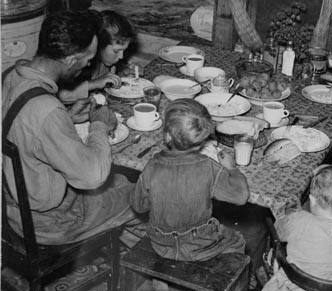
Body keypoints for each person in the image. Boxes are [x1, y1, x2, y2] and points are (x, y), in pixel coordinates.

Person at [2, 10, 138, 245]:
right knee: (146, 192)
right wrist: (99, 124)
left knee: (123, 184)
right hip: (48, 223)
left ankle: (127, 249)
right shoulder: (47, 110)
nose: (88, 65)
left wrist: (67, 118)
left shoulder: (12, 76)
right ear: (70, 59)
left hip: (12, 206)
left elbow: (24, 128)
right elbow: (92, 177)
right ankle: (155, 265)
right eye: (87, 59)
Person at [130, 98, 249, 261]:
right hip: (199, 246)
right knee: (237, 240)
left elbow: (139, 206)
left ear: (167, 136)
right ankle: (229, 279)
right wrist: (232, 168)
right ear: (203, 139)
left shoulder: (152, 166)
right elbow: (241, 197)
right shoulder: (208, 166)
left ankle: (164, 277)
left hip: (161, 245)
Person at [58, 10, 135, 103]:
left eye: (124, 50)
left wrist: (123, 74)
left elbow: (107, 78)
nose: (121, 56)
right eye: (116, 51)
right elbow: (63, 95)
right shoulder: (79, 63)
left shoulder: (105, 61)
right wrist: (94, 84)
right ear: (98, 45)